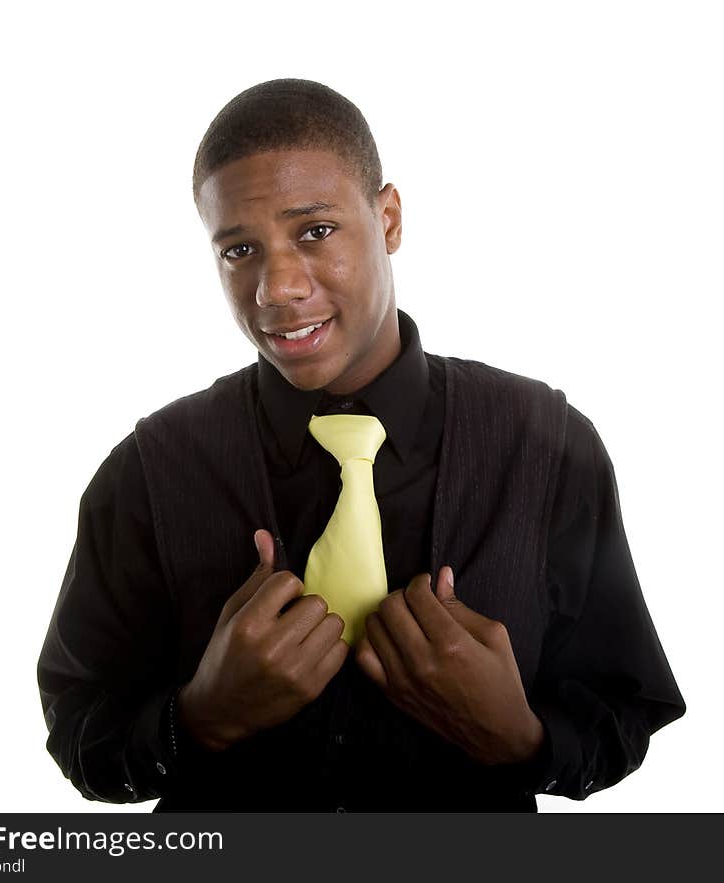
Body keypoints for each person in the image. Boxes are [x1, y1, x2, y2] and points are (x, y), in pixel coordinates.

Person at [37, 78, 686, 812]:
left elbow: (625, 707)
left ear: (388, 219)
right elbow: (78, 726)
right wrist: (197, 720)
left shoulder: (547, 446)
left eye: (314, 231)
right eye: (239, 249)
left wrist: (522, 738)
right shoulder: (149, 472)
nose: (276, 287)